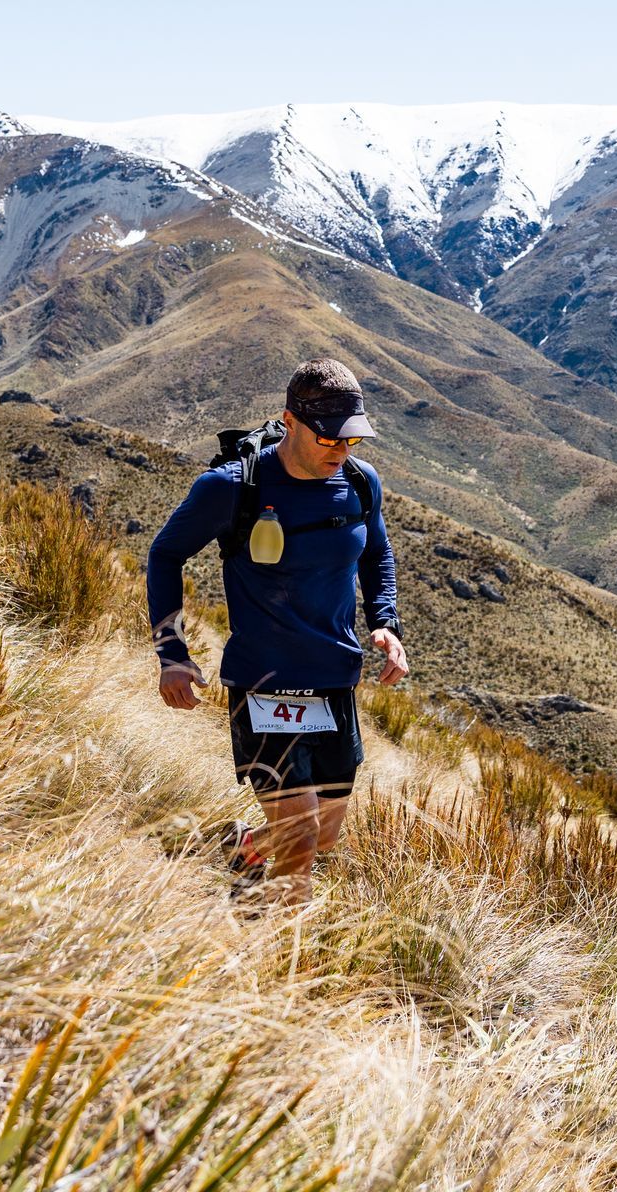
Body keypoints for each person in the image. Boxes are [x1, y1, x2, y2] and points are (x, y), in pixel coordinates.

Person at [147, 358, 408, 903]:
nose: (341, 452)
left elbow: (377, 553)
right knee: (302, 835)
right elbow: (166, 554)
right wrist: (171, 652)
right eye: (328, 440)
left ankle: (244, 848)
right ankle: (283, 965)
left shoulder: (360, 484)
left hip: (333, 677)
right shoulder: (231, 488)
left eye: (350, 441)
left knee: (325, 834)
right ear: (289, 421)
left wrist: (385, 622)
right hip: (264, 680)